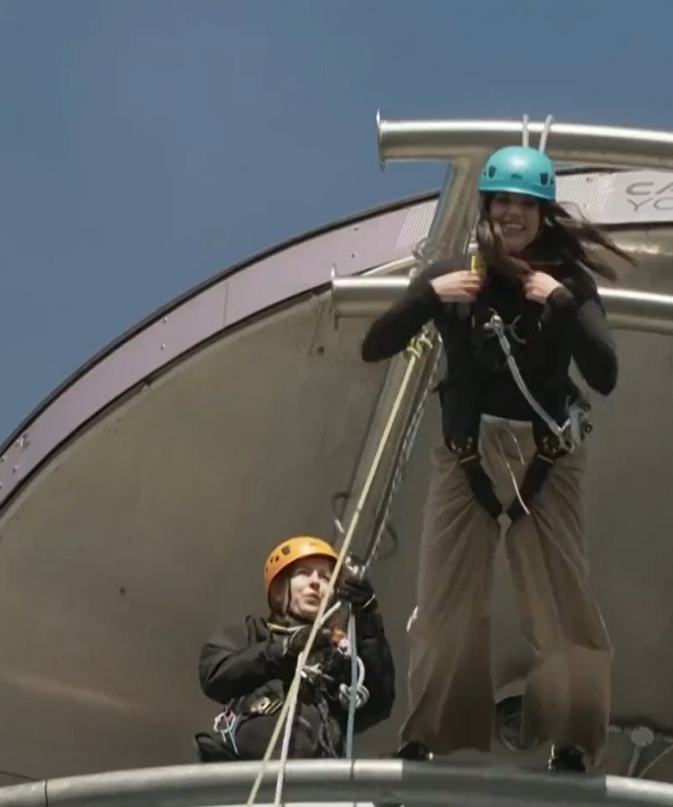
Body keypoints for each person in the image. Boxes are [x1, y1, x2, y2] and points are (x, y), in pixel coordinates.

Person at [360, 143, 634, 773]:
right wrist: (427, 296)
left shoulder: (566, 278)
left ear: (543, 214)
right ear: (486, 206)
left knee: (563, 604)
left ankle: (573, 740)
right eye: (502, 202)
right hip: (467, 454)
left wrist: (560, 302)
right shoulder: (459, 272)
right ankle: (425, 734)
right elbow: (378, 345)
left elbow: (606, 373)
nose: (511, 215)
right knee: (445, 603)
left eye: (525, 205)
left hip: (545, 456)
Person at [194, 536, 396, 761]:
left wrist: (368, 620)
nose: (316, 582)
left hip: (315, 780)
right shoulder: (251, 632)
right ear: (279, 591)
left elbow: (378, 702)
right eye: (303, 573)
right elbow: (215, 675)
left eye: (325, 577)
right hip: (250, 774)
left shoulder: (336, 654)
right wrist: (282, 650)